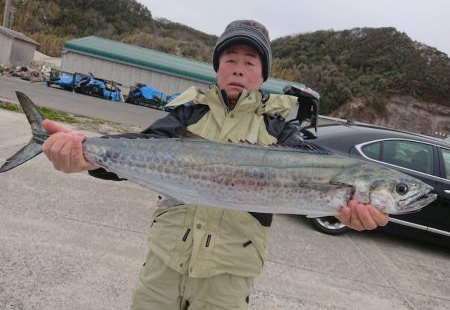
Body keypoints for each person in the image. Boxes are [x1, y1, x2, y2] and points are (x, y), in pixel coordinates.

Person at [42, 20, 389, 310]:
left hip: (227, 277)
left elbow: (315, 177)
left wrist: (344, 211)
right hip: (164, 264)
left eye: (250, 61)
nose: (239, 67)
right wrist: (85, 155)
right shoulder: (187, 114)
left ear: (263, 74)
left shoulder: (281, 131)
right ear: (217, 68)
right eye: (230, 59)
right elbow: (137, 152)